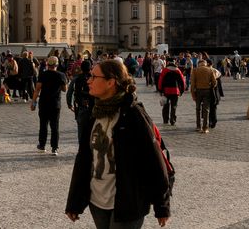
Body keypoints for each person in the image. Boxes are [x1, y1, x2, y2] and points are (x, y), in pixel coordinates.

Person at [65, 58, 171, 229]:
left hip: (127, 200)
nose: (88, 80)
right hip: (97, 200)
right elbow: (84, 159)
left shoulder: (133, 115)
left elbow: (153, 160)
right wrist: (74, 202)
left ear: (110, 82)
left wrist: (162, 205)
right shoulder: (94, 113)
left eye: (94, 76)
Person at [32, 56, 68, 156]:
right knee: (55, 126)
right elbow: (65, 89)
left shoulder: (43, 75)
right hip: (55, 104)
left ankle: (42, 146)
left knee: (43, 125)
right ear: (57, 65)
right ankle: (54, 148)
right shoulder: (61, 75)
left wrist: (33, 102)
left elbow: (37, 89)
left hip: (44, 103)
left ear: (48, 64)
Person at [68, 59, 96, 146]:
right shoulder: (95, 78)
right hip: (94, 107)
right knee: (93, 128)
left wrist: (69, 104)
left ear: (81, 68)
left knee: (81, 129)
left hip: (81, 106)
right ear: (91, 68)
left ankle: (82, 147)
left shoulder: (76, 78)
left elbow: (69, 92)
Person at [156, 58, 185, 127]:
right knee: (174, 106)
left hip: (166, 91)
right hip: (175, 91)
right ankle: (173, 120)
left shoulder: (165, 70)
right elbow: (182, 81)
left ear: (168, 62)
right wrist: (182, 90)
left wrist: (160, 90)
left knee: (166, 106)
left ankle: (166, 120)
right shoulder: (178, 70)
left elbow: (160, 80)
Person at [189, 59, 216, 134]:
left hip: (198, 91)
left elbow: (192, 83)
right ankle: (205, 128)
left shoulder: (195, 70)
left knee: (198, 109)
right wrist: (211, 86)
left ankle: (198, 126)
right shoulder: (210, 70)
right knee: (206, 109)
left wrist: (193, 94)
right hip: (207, 91)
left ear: (198, 64)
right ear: (205, 63)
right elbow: (214, 82)